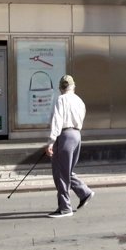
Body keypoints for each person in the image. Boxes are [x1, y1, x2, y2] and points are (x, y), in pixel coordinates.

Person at [45, 75, 94, 218]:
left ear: (61, 88)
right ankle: (84, 192)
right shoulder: (79, 101)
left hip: (64, 135)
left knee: (60, 172)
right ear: (73, 86)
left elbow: (57, 120)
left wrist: (51, 141)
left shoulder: (61, 99)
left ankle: (65, 208)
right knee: (67, 170)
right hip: (76, 135)